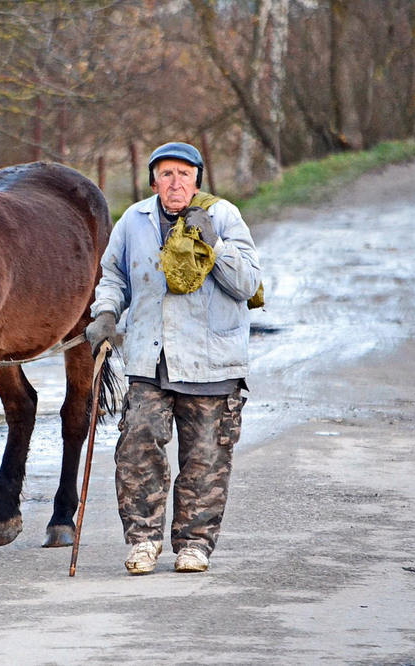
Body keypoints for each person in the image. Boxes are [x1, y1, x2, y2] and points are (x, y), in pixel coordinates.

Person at [86, 141, 261, 575]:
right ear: (153, 181)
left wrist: (213, 243)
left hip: (212, 362)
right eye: (166, 174)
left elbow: (248, 282)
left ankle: (194, 544)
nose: (175, 182)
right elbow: (114, 276)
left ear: (197, 179)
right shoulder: (134, 220)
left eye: (184, 174)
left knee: (205, 457)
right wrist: (106, 314)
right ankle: (144, 541)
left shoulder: (224, 216)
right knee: (137, 446)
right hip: (150, 359)